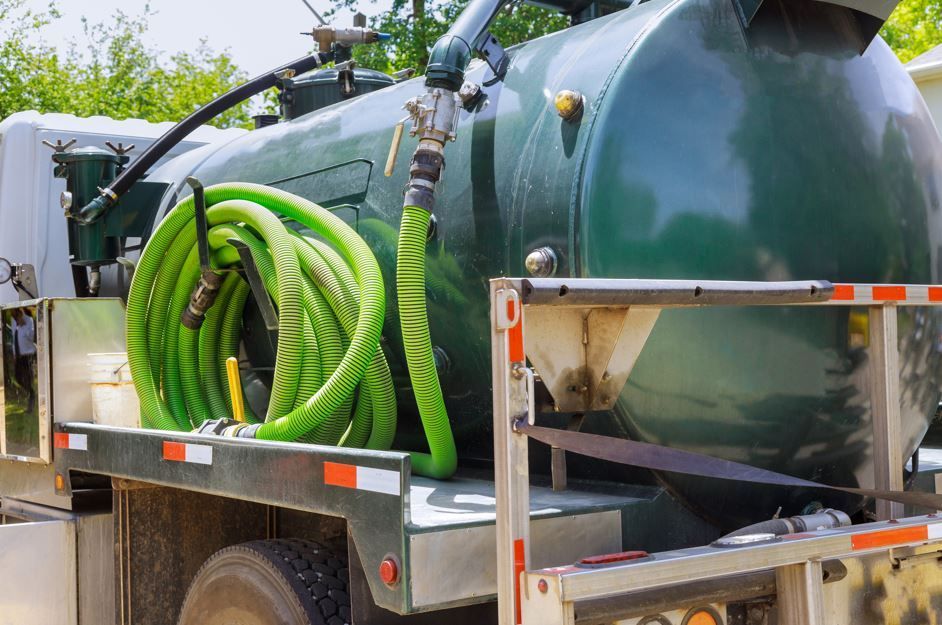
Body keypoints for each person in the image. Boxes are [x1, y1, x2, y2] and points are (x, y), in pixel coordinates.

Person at [11, 308, 36, 413]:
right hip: (19, 357)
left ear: (21, 315)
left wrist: (24, 324)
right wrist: (14, 354)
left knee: (28, 379)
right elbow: (14, 339)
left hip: (28, 356)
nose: (17, 321)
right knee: (18, 378)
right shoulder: (15, 324)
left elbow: (32, 336)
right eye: (15, 319)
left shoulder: (29, 321)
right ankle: (31, 393)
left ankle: (31, 403)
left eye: (18, 318)